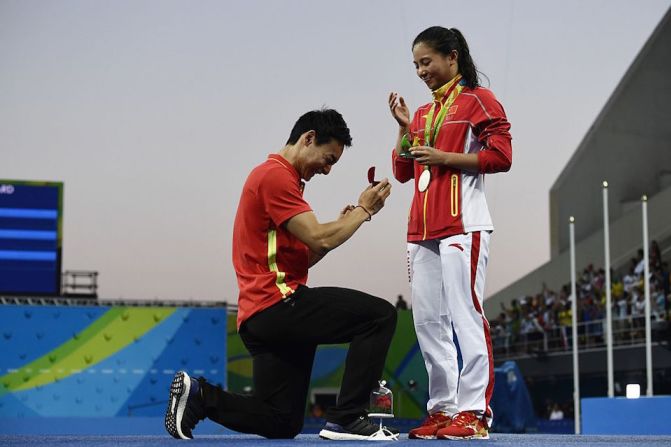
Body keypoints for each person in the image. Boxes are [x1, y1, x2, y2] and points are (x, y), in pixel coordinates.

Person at [164, 109, 398, 441]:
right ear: (309, 138)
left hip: (261, 317)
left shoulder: (278, 180)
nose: (328, 170)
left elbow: (308, 254)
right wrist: (364, 211)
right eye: (328, 158)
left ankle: (200, 397)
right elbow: (319, 236)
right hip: (279, 304)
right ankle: (348, 418)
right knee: (380, 316)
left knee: (281, 421)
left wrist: (342, 225)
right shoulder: (276, 176)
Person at [388, 26, 512, 440]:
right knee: (428, 321)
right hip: (421, 227)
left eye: (427, 62)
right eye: (416, 65)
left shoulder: (480, 100)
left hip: (464, 223)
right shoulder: (423, 113)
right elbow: (403, 172)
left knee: (466, 314)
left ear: (452, 57)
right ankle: (443, 409)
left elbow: (502, 156)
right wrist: (405, 128)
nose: (421, 71)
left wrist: (444, 157)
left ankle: (474, 413)